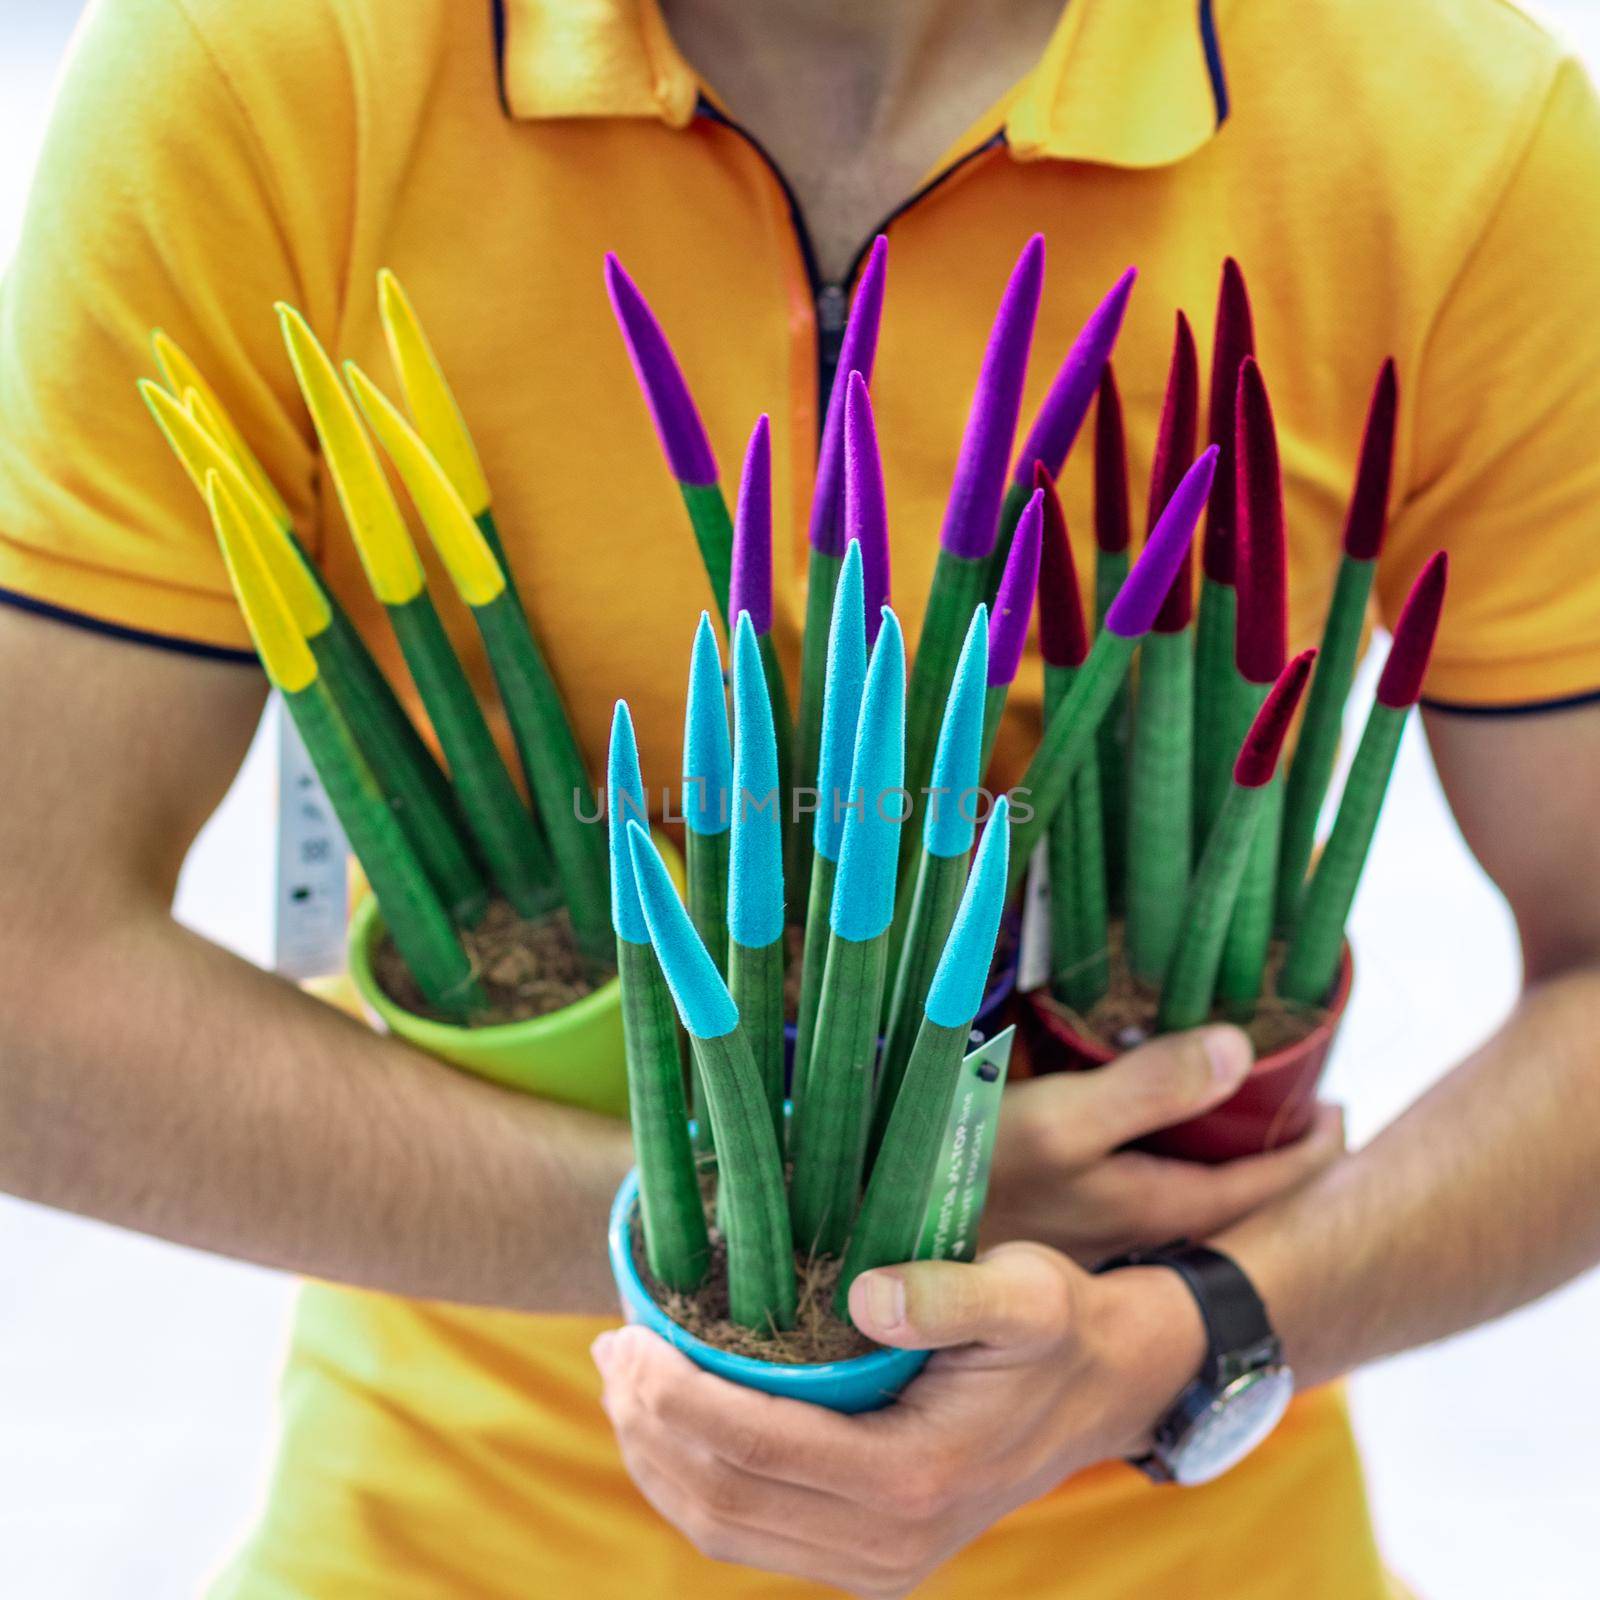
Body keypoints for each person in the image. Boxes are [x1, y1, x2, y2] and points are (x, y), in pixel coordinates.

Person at [2, 1, 1599, 1595]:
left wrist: (1185, 1336)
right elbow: (29, 992)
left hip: (1183, 1552)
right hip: (448, 1530)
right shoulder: (268, 63)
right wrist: (779, 1226)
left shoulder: (1449, 124)